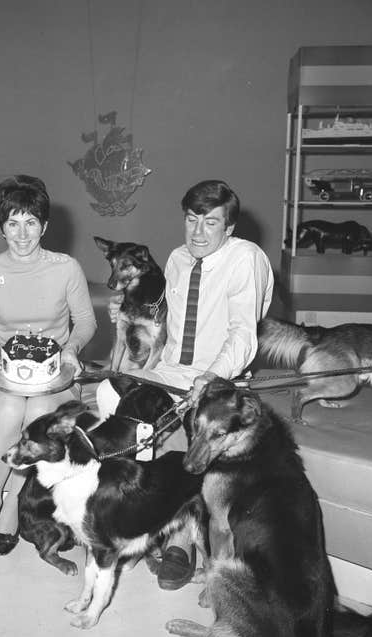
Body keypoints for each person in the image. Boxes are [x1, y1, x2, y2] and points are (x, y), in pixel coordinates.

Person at [97, 179, 274, 589]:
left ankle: (179, 542)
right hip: (175, 368)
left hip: (224, 375)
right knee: (109, 391)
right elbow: (167, 321)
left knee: (186, 419)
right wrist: (124, 310)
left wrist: (212, 376)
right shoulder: (177, 259)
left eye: (209, 222)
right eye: (191, 219)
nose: (197, 231)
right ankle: (140, 518)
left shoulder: (246, 258)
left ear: (228, 228)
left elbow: (243, 334)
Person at [0, 174, 96, 556]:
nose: (22, 234)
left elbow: (86, 321)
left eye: (31, 223)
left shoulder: (66, 268)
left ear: (45, 225)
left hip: (53, 378)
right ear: (1, 227)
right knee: (9, 407)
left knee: (39, 411)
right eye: (12, 223)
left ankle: (12, 505)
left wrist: (72, 348)